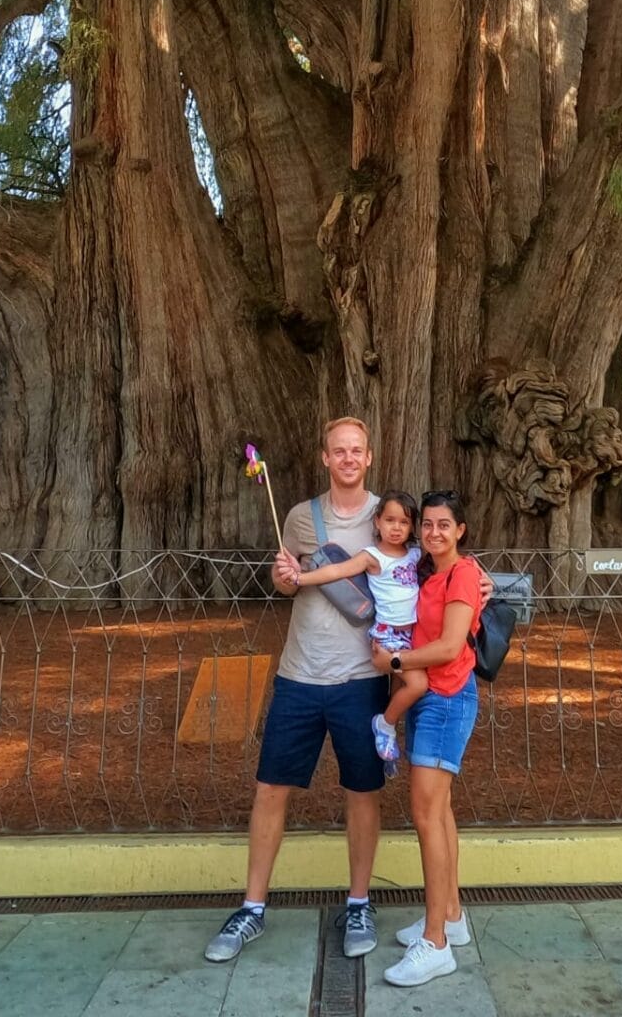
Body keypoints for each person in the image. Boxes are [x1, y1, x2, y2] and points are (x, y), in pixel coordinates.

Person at [205, 417, 388, 964]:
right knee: (270, 788)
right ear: (325, 458)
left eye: (356, 450)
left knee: (362, 791)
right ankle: (252, 906)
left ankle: (359, 902)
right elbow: (285, 581)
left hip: (362, 678)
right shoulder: (300, 517)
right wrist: (283, 577)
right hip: (299, 674)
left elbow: (420, 568)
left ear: (369, 457)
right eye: (339, 450)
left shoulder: (387, 516)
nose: (348, 458)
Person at [380, 489, 483, 989]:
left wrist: (395, 662)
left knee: (425, 816)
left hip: (446, 699)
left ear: (460, 530)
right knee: (439, 813)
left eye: (445, 525)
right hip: (429, 699)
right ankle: (451, 917)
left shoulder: (462, 574)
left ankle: (436, 944)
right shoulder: (431, 572)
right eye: (428, 525)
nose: (434, 532)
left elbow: (447, 647)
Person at [292, 490, 427, 769]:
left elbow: (449, 562)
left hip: (411, 635)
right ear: (377, 521)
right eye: (390, 520)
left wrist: (479, 577)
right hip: (388, 635)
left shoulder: (416, 555)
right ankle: (384, 724)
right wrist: (300, 578)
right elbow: (337, 571)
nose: (396, 527)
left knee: (400, 687)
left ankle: (387, 737)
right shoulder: (372, 556)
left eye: (404, 522)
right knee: (418, 684)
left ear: (412, 526)